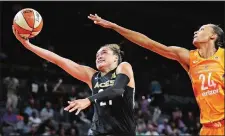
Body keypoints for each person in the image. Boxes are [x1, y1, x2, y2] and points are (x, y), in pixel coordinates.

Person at [88, 14, 224, 135]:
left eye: (202, 29)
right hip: (207, 128)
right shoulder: (189, 57)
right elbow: (149, 44)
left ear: (213, 36)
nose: (196, 31)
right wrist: (114, 26)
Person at [12, 26, 136, 136]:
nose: (99, 56)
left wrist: (88, 100)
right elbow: (59, 60)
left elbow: (117, 89)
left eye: (103, 52)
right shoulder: (92, 76)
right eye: (97, 55)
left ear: (116, 58)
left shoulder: (124, 67)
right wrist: (28, 45)